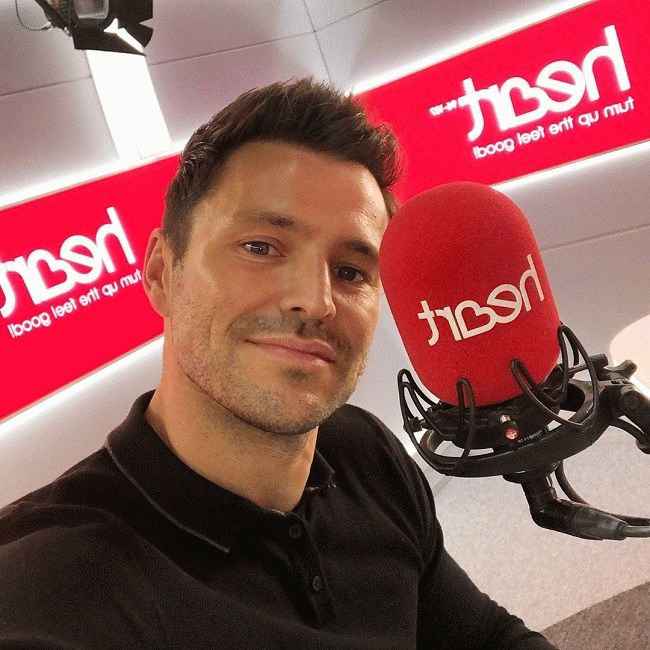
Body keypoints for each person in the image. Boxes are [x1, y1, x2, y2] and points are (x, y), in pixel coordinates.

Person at [0, 78, 556, 649]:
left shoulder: (363, 451)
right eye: (261, 248)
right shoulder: (50, 588)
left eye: (351, 271)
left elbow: (484, 638)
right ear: (163, 272)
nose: (315, 302)